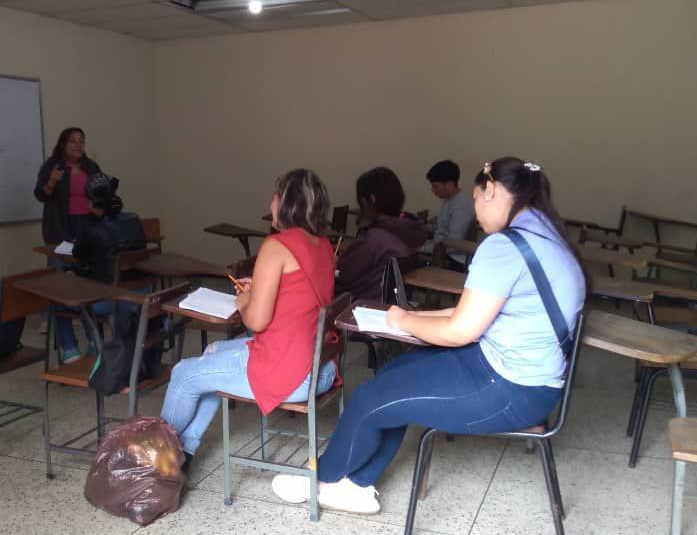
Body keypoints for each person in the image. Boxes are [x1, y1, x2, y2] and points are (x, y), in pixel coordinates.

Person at [271, 157, 587, 514]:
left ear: (493, 190)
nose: (477, 213)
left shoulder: (504, 247)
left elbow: (459, 330)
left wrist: (403, 322)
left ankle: (319, 480)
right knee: (393, 375)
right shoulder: (548, 235)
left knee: (369, 398)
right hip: (526, 380)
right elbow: (469, 312)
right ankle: (356, 485)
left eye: (477, 197)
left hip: (510, 387)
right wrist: (410, 317)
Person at [160, 169, 338, 472]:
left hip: (291, 374)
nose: (270, 202)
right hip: (321, 367)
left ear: (285, 203)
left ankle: (154, 457)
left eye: (275, 195)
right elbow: (298, 296)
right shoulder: (323, 245)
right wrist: (261, 288)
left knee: (183, 374)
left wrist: (244, 300)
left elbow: (255, 321)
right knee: (212, 352)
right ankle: (185, 452)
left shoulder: (277, 245)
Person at [54, 174, 147, 363]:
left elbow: (78, 253)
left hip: (111, 300)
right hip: (140, 295)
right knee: (90, 287)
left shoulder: (93, 230)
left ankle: (71, 350)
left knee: (57, 299)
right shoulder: (134, 220)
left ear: (91, 203)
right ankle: (93, 343)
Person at [34, 127, 102, 339]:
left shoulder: (91, 167)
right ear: (63, 144)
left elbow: (102, 193)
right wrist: (53, 180)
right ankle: (50, 317)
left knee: (86, 273)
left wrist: (99, 206)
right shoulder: (53, 166)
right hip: (60, 226)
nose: (78, 144)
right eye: (72, 141)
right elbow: (40, 195)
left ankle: (85, 313)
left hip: (87, 225)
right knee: (57, 273)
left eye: (81, 140)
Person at [335, 167, 427, 300]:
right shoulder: (410, 230)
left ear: (371, 199)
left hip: (358, 306)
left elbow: (345, 276)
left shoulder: (376, 238)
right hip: (388, 305)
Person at [422, 160, 476, 271]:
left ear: (450, 184)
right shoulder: (448, 200)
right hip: (441, 251)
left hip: (452, 259)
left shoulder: (461, 206)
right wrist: (426, 227)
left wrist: (421, 249)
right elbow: (443, 227)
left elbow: (453, 244)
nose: (433, 190)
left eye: (436, 186)